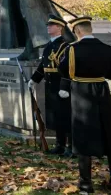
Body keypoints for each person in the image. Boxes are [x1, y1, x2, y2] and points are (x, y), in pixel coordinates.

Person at [58, 16, 111, 193]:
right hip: (102, 91)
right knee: (110, 132)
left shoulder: (72, 49)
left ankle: (86, 183)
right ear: (90, 29)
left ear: (77, 31)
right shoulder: (108, 49)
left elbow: (63, 69)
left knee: (83, 134)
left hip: (81, 92)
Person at [31, 14, 73, 156]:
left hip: (61, 86)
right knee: (55, 117)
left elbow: (68, 69)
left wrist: (65, 87)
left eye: (51, 25)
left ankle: (71, 146)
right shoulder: (49, 45)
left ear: (60, 27)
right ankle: (60, 145)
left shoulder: (65, 45)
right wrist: (34, 79)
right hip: (50, 86)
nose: (48, 27)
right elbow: (43, 66)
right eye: (48, 25)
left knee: (66, 116)